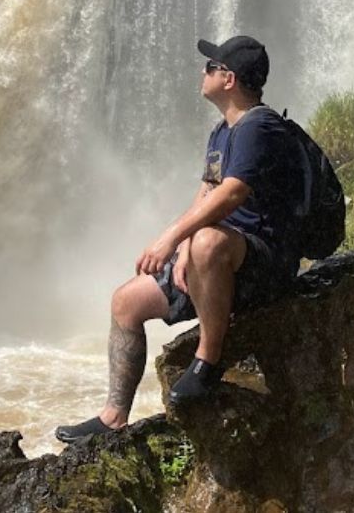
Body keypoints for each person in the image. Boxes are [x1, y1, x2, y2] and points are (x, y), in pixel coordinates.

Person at [55, 35, 309, 444]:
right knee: (126, 302)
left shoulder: (259, 126)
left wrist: (179, 237)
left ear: (229, 79)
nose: (202, 72)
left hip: (265, 261)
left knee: (208, 242)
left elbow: (232, 193)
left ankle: (207, 361)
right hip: (221, 258)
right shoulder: (221, 132)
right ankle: (113, 415)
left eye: (210, 67)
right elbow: (207, 191)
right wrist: (179, 249)